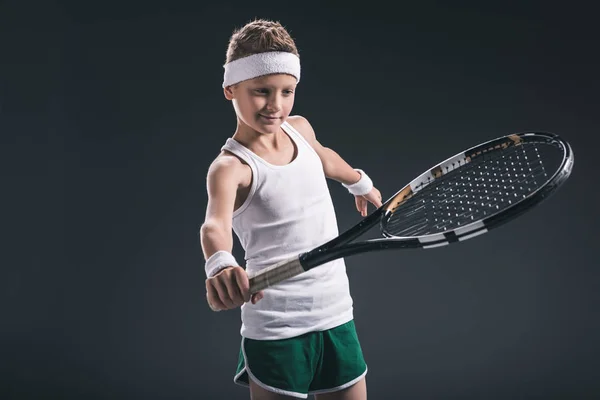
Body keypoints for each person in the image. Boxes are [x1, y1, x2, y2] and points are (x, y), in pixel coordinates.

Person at [200, 19, 382, 400]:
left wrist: (360, 183)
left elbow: (327, 160)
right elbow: (214, 226)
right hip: (277, 325)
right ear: (230, 89)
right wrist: (220, 263)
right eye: (262, 91)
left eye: (287, 91)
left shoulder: (300, 128)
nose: (276, 105)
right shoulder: (231, 167)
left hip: (335, 314)